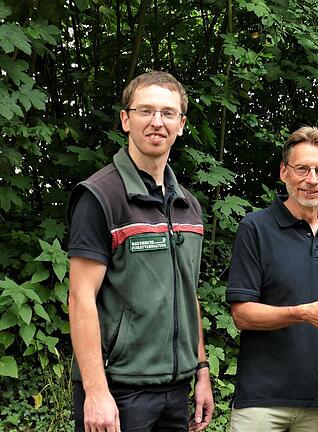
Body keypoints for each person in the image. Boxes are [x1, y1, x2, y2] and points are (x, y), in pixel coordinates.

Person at [67, 71, 213, 432]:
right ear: (125, 119)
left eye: (167, 113)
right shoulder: (100, 197)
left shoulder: (188, 207)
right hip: (119, 391)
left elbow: (187, 294)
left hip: (176, 391)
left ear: (181, 124)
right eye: (145, 111)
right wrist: (96, 392)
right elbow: (80, 297)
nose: (156, 122)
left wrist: (202, 371)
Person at [226, 127, 318, 431]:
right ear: (284, 172)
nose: (312, 179)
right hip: (261, 399)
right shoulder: (255, 228)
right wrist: (302, 314)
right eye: (302, 169)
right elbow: (241, 315)